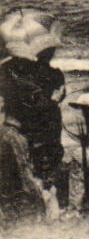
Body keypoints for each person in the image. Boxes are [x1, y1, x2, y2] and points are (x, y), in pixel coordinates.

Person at [0, 10, 67, 209]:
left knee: (22, 170)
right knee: (45, 165)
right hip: (42, 127)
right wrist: (55, 100)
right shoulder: (50, 73)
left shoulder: (4, 71)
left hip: (13, 126)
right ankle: (46, 197)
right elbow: (45, 107)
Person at [1, 89, 55, 223]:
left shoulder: (6, 133)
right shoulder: (14, 137)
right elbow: (24, 173)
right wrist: (41, 202)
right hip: (14, 204)